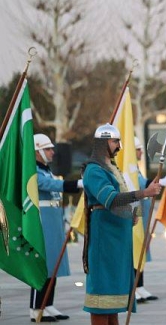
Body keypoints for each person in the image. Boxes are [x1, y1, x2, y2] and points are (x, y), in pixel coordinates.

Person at [82, 124, 161, 325]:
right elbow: (111, 199)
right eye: (115, 141)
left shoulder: (113, 168)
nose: (119, 145)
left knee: (114, 302)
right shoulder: (94, 170)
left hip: (118, 240)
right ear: (103, 142)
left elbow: (125, 198)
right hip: (104, 240)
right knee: (102, 300)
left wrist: (134, 213)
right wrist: (145, 193)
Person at [30, 133, 83, 322]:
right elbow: (50, 185)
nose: (53, 152)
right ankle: (36, 308)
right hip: (43, 224)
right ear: (36, 151)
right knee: (43, 268)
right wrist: (76, 183)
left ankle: (48, 304)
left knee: (53, 265)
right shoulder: (33, 171)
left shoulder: (46, 170)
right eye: (48, 149)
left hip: (53, 222)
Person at [133, 137, 166, 302]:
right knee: (134, 250)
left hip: (141, 210)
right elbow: (141, 183)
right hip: (133, 211)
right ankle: (133, 287)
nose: (141, 152)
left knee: (142, 248)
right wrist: (161, 181)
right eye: (138, 149)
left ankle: (140, 285)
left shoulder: (134, 166)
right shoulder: (127, 166)